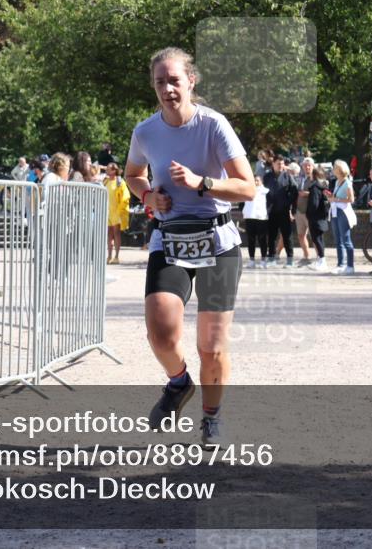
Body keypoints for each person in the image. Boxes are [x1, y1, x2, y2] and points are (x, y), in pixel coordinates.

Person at [124, 47, 255, 447]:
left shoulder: (213, 126)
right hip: (170, 237)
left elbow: (247, 187)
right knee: (161, 333)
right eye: (160, 82)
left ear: (191, 82)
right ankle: (179, 382)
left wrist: (203, 182)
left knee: (211, 347)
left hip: (216, 239)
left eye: (175, 80)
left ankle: (212, 418)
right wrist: (148, 198)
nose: (168, 89)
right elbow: (133, 175)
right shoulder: (145, 131)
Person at [262, 155, 298, 268]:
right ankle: (271, 258)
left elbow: (295, 191)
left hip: (284, 211)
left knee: (287, 236)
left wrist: (289, 205)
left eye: (282, 164)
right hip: (271, 211)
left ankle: (290, 260)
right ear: (273, 164)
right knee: (271, 236)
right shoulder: (267, 177)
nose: (280, 165)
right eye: (278, 163)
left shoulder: (288, 176)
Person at [326, 159, 356, 275]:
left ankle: (350, 266)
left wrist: (336, 199)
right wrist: (331, 196)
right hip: (335, 210)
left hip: (343, 211)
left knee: (346, 239)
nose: (333, 169)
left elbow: (351, 199)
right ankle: (340, 264)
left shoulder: (347, 182)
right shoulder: (338, 182)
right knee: (338, 240)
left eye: (334, 167)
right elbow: (336, 196)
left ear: (339, 170)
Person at [104, 162, 130, 264]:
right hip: (108, 212)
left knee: (116, 234)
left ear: (114, 170)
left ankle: (116, 256)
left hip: (117, 212)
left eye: (109, 168)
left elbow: (125, 196)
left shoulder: (120, 182)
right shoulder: (105, 181)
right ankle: (109, 256)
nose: (107, 170)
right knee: (109, 235)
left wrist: (121, 211)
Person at [241, 175, 269, 268]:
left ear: (261, 181)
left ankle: (263, 260)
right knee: (251, 240)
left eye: (257, 180)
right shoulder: (247, 190)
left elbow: (270, 204)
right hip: (249, 218)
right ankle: (251, 260)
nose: (256, 182)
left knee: (262, 240)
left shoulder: (266, 192)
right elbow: (241, 203)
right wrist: (245, 211)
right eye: (254, 180)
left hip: (262, 218)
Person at [305, 167, 330, 270]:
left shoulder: (315, 187)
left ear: (314, 175)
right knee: (319, 238)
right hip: (321, 216)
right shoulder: (323, 186)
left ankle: (322, 260)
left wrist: (309, 213)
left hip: (315, 217)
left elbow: (314, 204)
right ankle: (320, 260)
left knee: (316, 239)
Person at [294, 157, 316, 267]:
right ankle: (307, 256)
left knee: (314, 236)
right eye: (305, 165)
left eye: (309, 165)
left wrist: (307, 194)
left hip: (310, 212)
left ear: (313, 166)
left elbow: (319, 193)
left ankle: (320, 258)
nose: (307, 167)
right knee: (301, 235)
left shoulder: (315, 178)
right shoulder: (300, 178)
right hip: (299, 211)